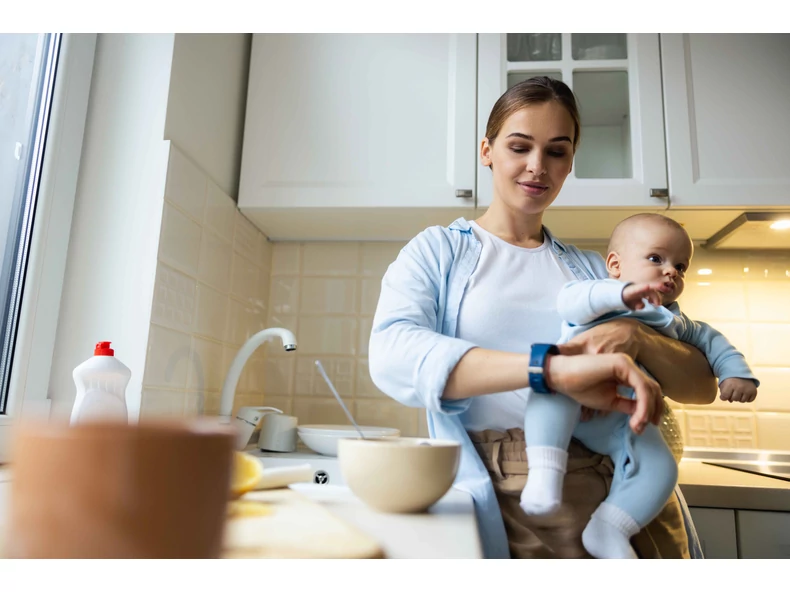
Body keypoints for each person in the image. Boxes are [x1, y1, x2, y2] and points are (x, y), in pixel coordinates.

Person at [368, 76, 720, 559]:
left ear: (570, 161)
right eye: (519, 146)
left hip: (631, 491)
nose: (538, 167)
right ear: (487, 150)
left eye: (556, 151)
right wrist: (549, 370)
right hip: (523, 491)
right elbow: (392, 354)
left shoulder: (595, 270)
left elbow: (702, 386)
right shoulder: (437, 252)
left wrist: (635, 337)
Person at [519, 212, 759, 559]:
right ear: (614, 265)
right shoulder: (599, 293)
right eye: (656, 259)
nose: (671, 272)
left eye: (681, 266)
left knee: (662, 468)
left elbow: (714, 343)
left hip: (628, 417)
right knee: (548, 389)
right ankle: (544, 473)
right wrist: (621, 295)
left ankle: (611, 526)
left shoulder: (675, 321)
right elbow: (569, 300)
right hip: (576, 394)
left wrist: (737, 374)